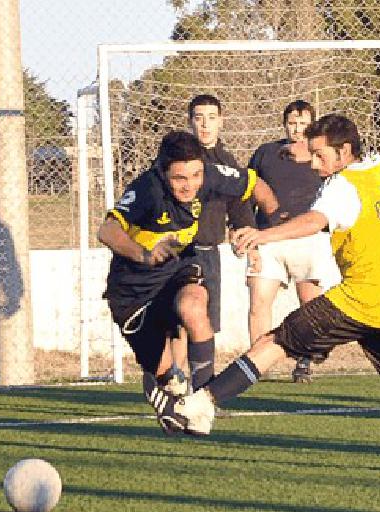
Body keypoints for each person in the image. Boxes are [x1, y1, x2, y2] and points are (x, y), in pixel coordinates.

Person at [160, 114, 380, 476]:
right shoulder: (378, 168)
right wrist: (305, 148)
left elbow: (313, 221)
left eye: (321, 155)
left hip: (356, 302)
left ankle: (200, 403)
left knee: (275, 342)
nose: (315, 163)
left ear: (344, 152)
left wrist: (263, 235)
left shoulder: (342, 188)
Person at [97, 129, 266, 436]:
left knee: (193, 307)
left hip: (177, 269)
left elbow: (254, 184)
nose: (190, 185)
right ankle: (164, 390)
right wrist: (145, 255)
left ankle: (202, 403)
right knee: (165, 377)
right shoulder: (147, 188)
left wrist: (274, 222)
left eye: (195, 175)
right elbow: (106, 231)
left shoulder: (210, 173)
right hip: (133, 291)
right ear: (163, 172)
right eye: (179, 178)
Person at [171, 94, 279, 392]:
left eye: (211, 117)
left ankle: (198, 391)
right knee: (180, 320)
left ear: (221, 121)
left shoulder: (227, 162)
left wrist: (249, 243)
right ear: (189, 121)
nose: (205, 124)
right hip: (178, 253)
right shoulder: (177, 160)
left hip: (209, 253)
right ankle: (176, 384)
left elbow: (239, 207)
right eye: (198, 117)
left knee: (203, 324)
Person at [246, 100, 340, 383]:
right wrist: (248, 233)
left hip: (307, 238)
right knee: (259, 301)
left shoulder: (321, 157)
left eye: (303, 124)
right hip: (268, 239)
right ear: (284, 124)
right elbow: (248, 192)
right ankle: (254, 366)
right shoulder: (265, 154)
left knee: (308, 304)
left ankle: (304, 361)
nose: (297, 130)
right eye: (292, 123)